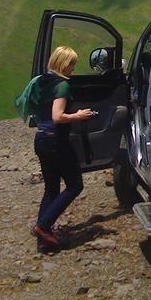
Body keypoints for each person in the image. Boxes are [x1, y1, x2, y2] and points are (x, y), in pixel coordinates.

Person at [30, 46, 95, 251]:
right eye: (72, 65)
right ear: (64, 64)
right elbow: (58, 116)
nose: (73, 70)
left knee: (51, 188)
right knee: (75, 185)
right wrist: (79, 116)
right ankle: (42, 226)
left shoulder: (42, 80)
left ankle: (44, 239)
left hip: (41, 138)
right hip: (56, 141)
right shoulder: (62, 86)